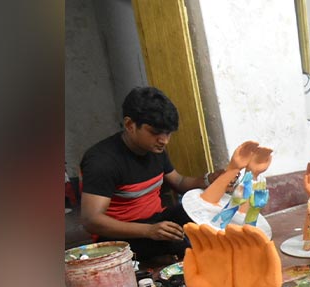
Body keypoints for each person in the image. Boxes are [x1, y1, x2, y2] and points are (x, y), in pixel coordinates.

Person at [80, 86, 212, 261]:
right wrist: (149, 231)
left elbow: (179, 182)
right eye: (155, 132)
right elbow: (91, 220)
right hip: (121, 236)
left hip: (156, 222)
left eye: (168, 133)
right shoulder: (102, 161)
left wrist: (208, 180)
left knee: (208, 215)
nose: (164, 140)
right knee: (183, 244)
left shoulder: (154, 148)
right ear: (130, 125)